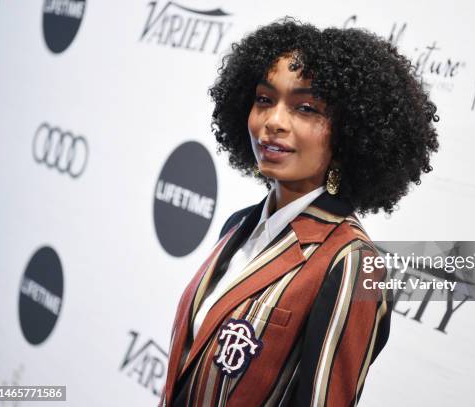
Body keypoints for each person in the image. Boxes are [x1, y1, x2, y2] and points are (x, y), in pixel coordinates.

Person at [160, 16, 439, 407]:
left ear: (350, 133)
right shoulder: (238, 225)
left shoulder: (353, 263)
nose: (273, 122)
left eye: (305, 108)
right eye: (263, 99)